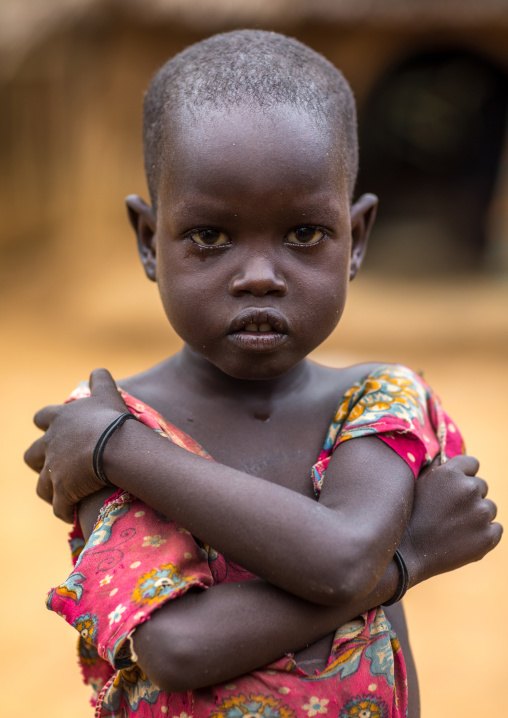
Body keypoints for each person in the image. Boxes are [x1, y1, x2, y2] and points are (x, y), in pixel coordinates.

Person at [24, 30, 502, 718]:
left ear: (356, 239)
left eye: (304, 234)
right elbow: (177, 649)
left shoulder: (380, 401)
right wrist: (411, 557)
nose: (258, 276)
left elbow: (341, 558)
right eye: (211, 237)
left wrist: (116, 451)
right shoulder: (111, 413)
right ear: (148, 242)